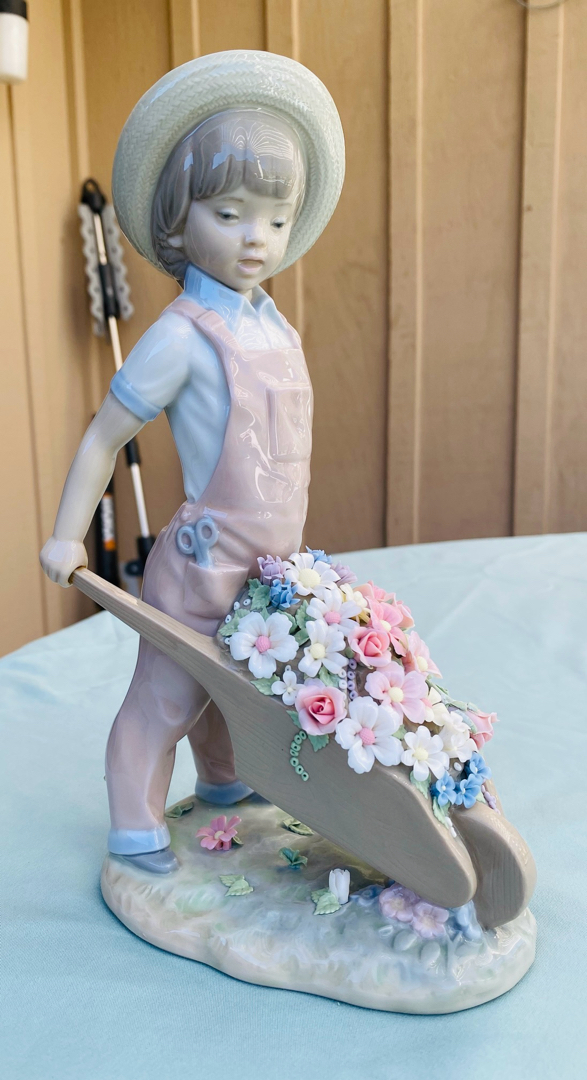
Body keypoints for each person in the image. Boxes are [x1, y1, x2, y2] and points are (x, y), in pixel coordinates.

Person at [39, 51, 345, 872]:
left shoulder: (274, 325)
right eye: (229, 213)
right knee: (168, 692)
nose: (254, 238)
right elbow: (104, 437)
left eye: (274, 220)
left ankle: (222, 778)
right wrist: (68, 535)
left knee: (242, 685)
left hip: (272, 563)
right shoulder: (178, 336)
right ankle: (134, 819)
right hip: (205, 560)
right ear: (179, 220)